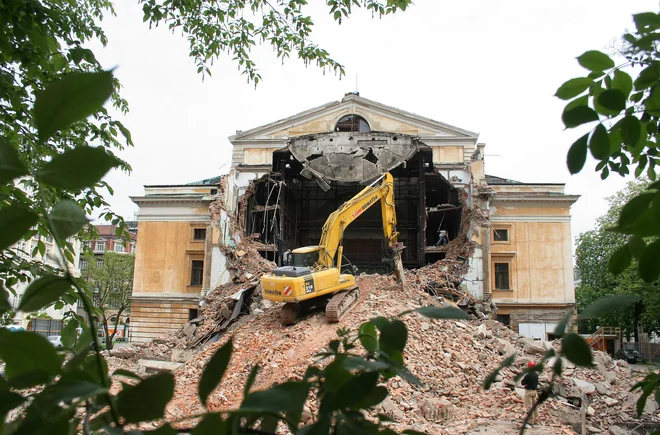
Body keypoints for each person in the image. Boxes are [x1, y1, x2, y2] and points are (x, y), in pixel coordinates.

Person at [521, 360, 539, 425]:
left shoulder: (528, 375)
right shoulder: (536, 375)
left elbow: (522, 383)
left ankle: (530, 421)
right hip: (534, 392)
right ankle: (536, 420)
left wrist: (526, 384)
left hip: (529, 392)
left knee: (529, 407)